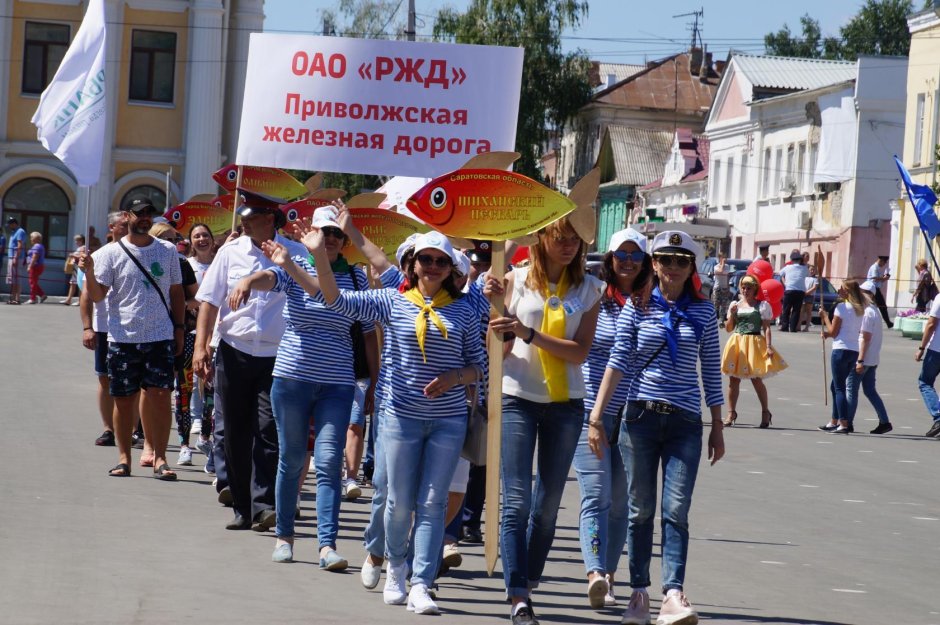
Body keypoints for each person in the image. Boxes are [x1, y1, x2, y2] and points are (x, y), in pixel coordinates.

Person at [315, 228, 486, 615]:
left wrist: (454, 378)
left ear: (450, 269)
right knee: (398, 502)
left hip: (448, 420)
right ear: (412, 263)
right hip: (399, 417)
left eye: (441, 261)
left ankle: (422, 583)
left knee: (432, 503)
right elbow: (336, 300)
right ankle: (395, 566)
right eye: (426, 259)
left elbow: (479, 363)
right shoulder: (392, 300)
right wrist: (319, 257)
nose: (433, 267)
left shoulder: (464, 309)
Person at [229, 206, 376, 570]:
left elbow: (370, 335)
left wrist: (374, 381)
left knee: (327, 462)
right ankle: (285, 537)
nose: (328, 239)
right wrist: (248, 280)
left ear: (343, 243)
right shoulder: (296, 268)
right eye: (323, 232)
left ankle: (327, 546)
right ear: (312, 235)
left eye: (335, 235)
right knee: (292, 460)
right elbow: (270, 276)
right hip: (293, 378)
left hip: (337, 384)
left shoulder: (357, 280)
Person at [589, 230, 724, 625]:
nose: (673, 268)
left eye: (682, 261)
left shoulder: (703, 311)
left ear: (691, 267)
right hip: (640, 417)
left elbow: (711, 373)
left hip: (684, 420)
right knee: (639, 510)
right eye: (666, 260)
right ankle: (638, 593)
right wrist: (597, 418)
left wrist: (718, 425)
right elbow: (616, 362)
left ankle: (674, 594)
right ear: (656, 265)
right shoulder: (636, 306)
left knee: (676, 510)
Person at [485, 215, 603, 625]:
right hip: (518, 397)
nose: (569, 246)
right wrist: (494, 306)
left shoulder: (589, 289)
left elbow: (580, 352)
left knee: (548, 504)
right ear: (541, 237)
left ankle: (528, 578)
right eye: (560, 237)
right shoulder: (514, 279)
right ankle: (518, 594)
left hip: (566, 402)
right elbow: (496, 341)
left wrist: (528, 333)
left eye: (575, 239)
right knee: (515, 500)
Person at [193, 191, 306, 530]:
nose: (243, 222)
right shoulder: (229, 253)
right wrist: (201, 347)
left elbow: (313, 294)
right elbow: (210, 303)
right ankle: (242, 506)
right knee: (236, 433)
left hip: (278, 354)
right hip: (234, 349)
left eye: (251, 217)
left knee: (269, 429)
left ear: (270, 220)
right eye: (243, 217)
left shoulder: (295, 255)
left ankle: (264, 506)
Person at [79, 199, 185, 480]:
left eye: (150, 214)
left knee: (161, 398)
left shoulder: (167, 250)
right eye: (140, 214)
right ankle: (124, 458)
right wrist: (88, 271)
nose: (145, 219)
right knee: (124, 401)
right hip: (122, 337)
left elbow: (176, 292)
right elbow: (98, 295)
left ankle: (160, 459)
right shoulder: (111, 253)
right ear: (128, 216)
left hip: (160, 336)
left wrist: (179, 329)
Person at [572, 228, 650, 610]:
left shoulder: (655, 303)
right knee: (596, 495)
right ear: (610, 258)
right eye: (623, 254)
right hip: (590, 411)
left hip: (635, 415)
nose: (629, 262)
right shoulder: (592, 296)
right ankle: (595, 573)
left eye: (636, 255)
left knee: (622, 502)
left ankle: (611, 574)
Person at [150, 223, 200, 466]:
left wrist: (178, 308)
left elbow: (195, 297)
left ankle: (183, 444)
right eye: (164, 238)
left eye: (174, 238)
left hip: (182, 333)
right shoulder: (144, 260)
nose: (170, 243)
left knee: (183, 389)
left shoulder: (182, 264)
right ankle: (146, 440)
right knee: (152, 391)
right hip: (149, 333)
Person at [80, 212, 130, 447]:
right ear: (111, 227)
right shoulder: (98, 256)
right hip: (104, 327)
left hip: (132, 326)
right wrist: (88, 327)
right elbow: (87, 296)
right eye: (123, 225)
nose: (128, 228)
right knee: (105, 379)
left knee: (134, 381)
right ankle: (109, 429)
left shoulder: (138, 252)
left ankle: (131, 428)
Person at [721, 274, 787, 428]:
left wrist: (769, 346)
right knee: (733, 379)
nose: (745, 290)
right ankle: (731, 413)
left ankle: (765, 411)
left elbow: (767, 328)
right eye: (743, 287)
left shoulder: (761, 306)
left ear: (755, 289)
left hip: (754, 343)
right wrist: (732, 314)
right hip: (738, 342)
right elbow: (729, 328)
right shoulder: (735, 305)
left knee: (756, 379)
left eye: (749, 287)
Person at [817, 280, 867, 434]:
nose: (839, 290)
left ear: (848, 292)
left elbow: (833, 332)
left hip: (841, 350)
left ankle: (843, 423)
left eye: (842, 288)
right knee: (835, 386)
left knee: (839, 388)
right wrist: (827, 333)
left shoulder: (841, 307)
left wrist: (825, 317)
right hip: (853, 350)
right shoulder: (859, 309)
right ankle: (834, 420)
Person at [186, 224, 217, 462]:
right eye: (197, 236)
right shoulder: (188, 266)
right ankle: (196, 418)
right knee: (194, 376)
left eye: (205, 235)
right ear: (190, 241)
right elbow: (186, 300)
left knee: (211, 381)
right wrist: (200, 306)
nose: (202, 239)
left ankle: (207, 429)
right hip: (192, 327)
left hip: (218, 330)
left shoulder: (220, 262)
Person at [857, 281, 892, 434]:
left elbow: (865, 338)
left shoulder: (868, 312)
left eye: (862, 292)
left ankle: (846, 422)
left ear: (869, 295)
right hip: (872, 358)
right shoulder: (875, 311)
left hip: (865, 358)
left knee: (850, 389)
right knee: (870, 391)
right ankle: (884, 421)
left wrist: (860, 359)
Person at [915, 286, 940, 439]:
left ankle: (938, 416)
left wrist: (921, 347)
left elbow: (931, 324)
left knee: (925, 382)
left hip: (937, 349)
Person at [778, 251, 808, 332]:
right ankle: (793, 328)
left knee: (786, 309)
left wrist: (785, 283)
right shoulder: (804, 268)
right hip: (800, 291)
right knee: (796, 310)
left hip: (789, 290)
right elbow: (807, 274)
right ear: (800, 260)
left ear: (792, 260)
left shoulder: (787, 267)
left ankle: (784, 326)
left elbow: (780, 274)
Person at [866, 255, 893, 328]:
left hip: (874, 288)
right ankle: (888, 322)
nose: (884, 265)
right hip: (873, 289)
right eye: (884, 263)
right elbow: (875, 278)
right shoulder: (874, 267)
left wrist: (884, 278)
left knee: (880, 306)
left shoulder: (876, 268)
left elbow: (878, 281)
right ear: (881, 261)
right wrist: (883, 278)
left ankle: (888, 322)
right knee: (882, 306)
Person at [6, 217, 27, 304]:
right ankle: (13, 298)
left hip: (16, 258)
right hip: (11, 257)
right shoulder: (13, 232)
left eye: (10, 224)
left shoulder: (20, 231)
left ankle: (17, 299)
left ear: (14, 223)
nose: (9, 226)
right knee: (12, 279)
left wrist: (16, 257)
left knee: (17, 278)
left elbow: (20, 245)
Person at [23, 232, 47, 304]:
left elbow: (34, 257)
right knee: (33, 282)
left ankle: (33, 298)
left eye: (31, 237)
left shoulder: (37, 246)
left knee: (32, 283)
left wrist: (30, 266)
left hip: (35, 266)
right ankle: (42, 295)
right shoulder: (39, 246)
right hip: (37, 266)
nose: (30, 239)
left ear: (36, 239)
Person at [64, 234, 86, 305]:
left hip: (79, 269)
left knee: (79, 284)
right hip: (76, 268)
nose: (76, 242)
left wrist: (73, 255)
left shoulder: (83, 247)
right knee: (73, 284)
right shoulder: (79, 248)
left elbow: (82, 256)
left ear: (81, 241)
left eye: (77, 240)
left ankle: (79, 300)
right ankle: (69, 299)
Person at [710, 251, 731, 324]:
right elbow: (721, 271)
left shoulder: (727, 266)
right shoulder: (716, 267)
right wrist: (722, 263)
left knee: (723, 305)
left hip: (724, 288)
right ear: (719, 258)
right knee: (716, 305)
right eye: (723, 257)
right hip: (717, 288)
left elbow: (727, 276)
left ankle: (722, 321)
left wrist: (728, 287)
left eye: (725, 257)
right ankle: (714, 320)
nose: (725, 258)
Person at [800, 265, 818, 331]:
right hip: (803, 295)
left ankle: (807, 327)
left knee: (808, 312)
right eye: (810, 269)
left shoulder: (815, 279)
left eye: (813, 270)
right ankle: (798, 325)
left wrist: (807, 292)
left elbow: (814, 287)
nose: (812, 271)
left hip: (810, 296)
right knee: (801, 311)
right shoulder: (805, 277)